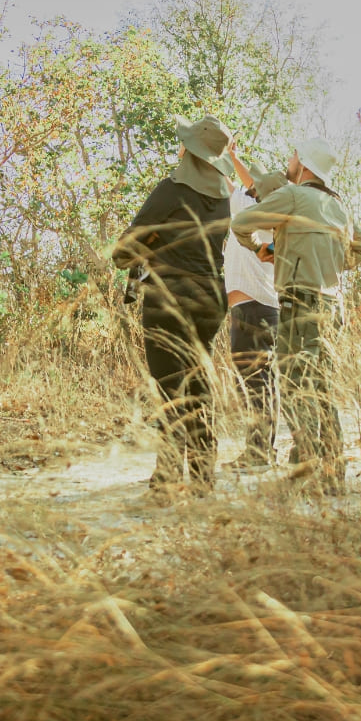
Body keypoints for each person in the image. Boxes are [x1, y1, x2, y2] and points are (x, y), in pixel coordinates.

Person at [230, 138, 361, 495]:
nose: (290, 159)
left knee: (297, 388)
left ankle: (310, 470)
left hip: (300, 302)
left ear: (305, 164)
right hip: (332, 307)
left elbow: (242, 223)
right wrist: (336, 261)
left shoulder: (294, 196)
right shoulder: (338, 205)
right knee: (321, 388)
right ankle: (331, 472)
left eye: (294, 155)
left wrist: (263, 250)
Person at [112, 114, 234, 498]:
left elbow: (123, 251)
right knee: (199, 385)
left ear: (189, 151)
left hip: (171, 296)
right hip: (213, 296)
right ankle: (202, 477)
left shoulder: (171, 189)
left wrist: (145, 252)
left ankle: (166, 480)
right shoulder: (223, 196)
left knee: (169, 389)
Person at [223, 159, 289, 468]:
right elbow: (243, 185)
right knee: (264, 380)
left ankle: (259, 452)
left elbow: (238, 185)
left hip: (251, 307)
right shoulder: (277, 222)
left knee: (254, 382)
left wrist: (231, 157)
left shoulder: (247, 210)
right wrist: (234, 160)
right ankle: (263, 449)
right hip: (266, 306)